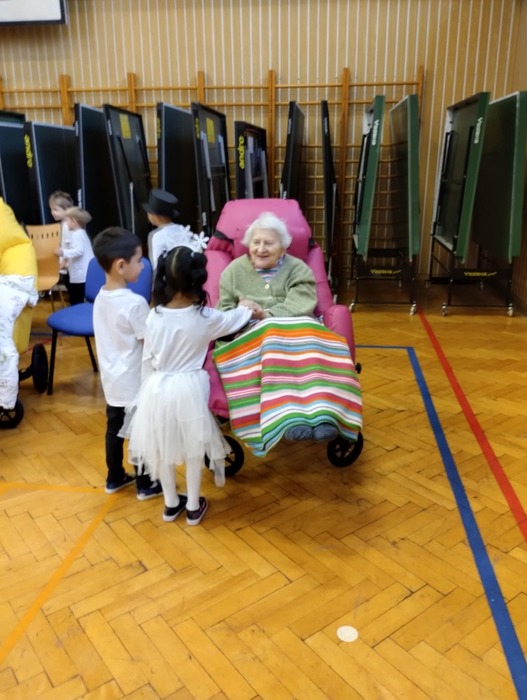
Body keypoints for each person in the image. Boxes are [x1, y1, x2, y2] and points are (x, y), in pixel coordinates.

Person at [125, 244, 256, 526]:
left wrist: (144, 392)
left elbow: (147, 358)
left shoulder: (154, 315)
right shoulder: (205, 317)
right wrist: (246, 308)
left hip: (157, 387)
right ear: (198, 281)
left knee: (163, 447)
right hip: (191, 388)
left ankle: (171, 504)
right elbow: (234, 320)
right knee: (194, 448)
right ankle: (194, 506)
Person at [214, 211, 363, 456]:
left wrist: (267, 314)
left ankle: (325, 416)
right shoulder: (233, 271)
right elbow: (223, 312)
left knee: (316, 348)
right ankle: (288, 420)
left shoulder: (298, 268)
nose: (261, 248)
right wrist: (243, 313)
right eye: (256, 242)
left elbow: (302, 302)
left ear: (283, 247)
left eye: (268, 243)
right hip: (254, 334)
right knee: (273, 342)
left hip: (296, 326)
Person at [92, 227, 163, 500]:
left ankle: (115, 477)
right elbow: (150, 344)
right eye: (139, 260)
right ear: (120, 266)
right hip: (135, 382)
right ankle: (145, 483)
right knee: (140, 431)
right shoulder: (135, 303)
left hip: (112, 381)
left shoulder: (100, 296)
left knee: (114, 429)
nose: (143, 266)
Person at [143, 188, 195, 271]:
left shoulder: (155, 235)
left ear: (157, 216)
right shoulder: (184, 230)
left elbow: (156, 266)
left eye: (150, 212)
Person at [54, 206, 94, 304]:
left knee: (76, 298)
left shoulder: (76, 234)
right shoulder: (82, 233)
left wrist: (63, 252)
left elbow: (79, 251)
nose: (66, 223)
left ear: (74, 221)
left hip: (80, 274)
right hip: (84, 272)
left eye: (67, 220)